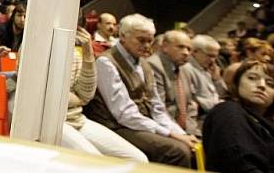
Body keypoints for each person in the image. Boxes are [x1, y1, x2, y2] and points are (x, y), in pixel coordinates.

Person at [85, 14, 198, 167]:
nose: (147, 45)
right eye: (141, 40)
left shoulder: (144, 64)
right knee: (177, 151)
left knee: (192, 145)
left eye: (150, 40)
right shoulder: (106, 62)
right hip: (116, 125)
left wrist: (181, 133)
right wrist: (170, 134)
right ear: (123, 36)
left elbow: (157, 107)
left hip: (140, 122)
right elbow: (124, 113)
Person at [62, 27, 148, 162]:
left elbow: (85, 96)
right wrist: (74, 98)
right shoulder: (35, 47)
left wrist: (88, 52)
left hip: (77, 118)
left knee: (139, 159)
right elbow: (51, 98)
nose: (147, 46)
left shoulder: (77, 52)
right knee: (98, 165)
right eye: (142, 40)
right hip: (57, 123)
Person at [202, 60, 274, 173]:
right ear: (236, 84)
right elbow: (239, 165)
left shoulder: (268, 124)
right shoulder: (228, 111)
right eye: (252, 78)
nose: (262, 85)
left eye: (270, 84)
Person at [146, 30, 200, 136]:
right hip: (164, 129)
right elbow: (159, 110)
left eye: (189, 49)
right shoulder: (153, 65)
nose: (186, 53)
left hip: (185, 129)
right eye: (180, 47)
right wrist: (183, 135)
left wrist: (191, 133)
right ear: (165, 46)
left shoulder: (185, 69)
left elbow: (190, 106)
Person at [181, 35, 227, 124]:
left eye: (215, 57)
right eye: (210, 56)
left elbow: (222, 94)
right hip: (200, 119)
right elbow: (193, 102)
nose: (213, 60)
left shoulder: (208, 68)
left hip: (214, 115)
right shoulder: (186, 69)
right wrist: (219, 104)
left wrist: (217, 80)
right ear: (195, 52)